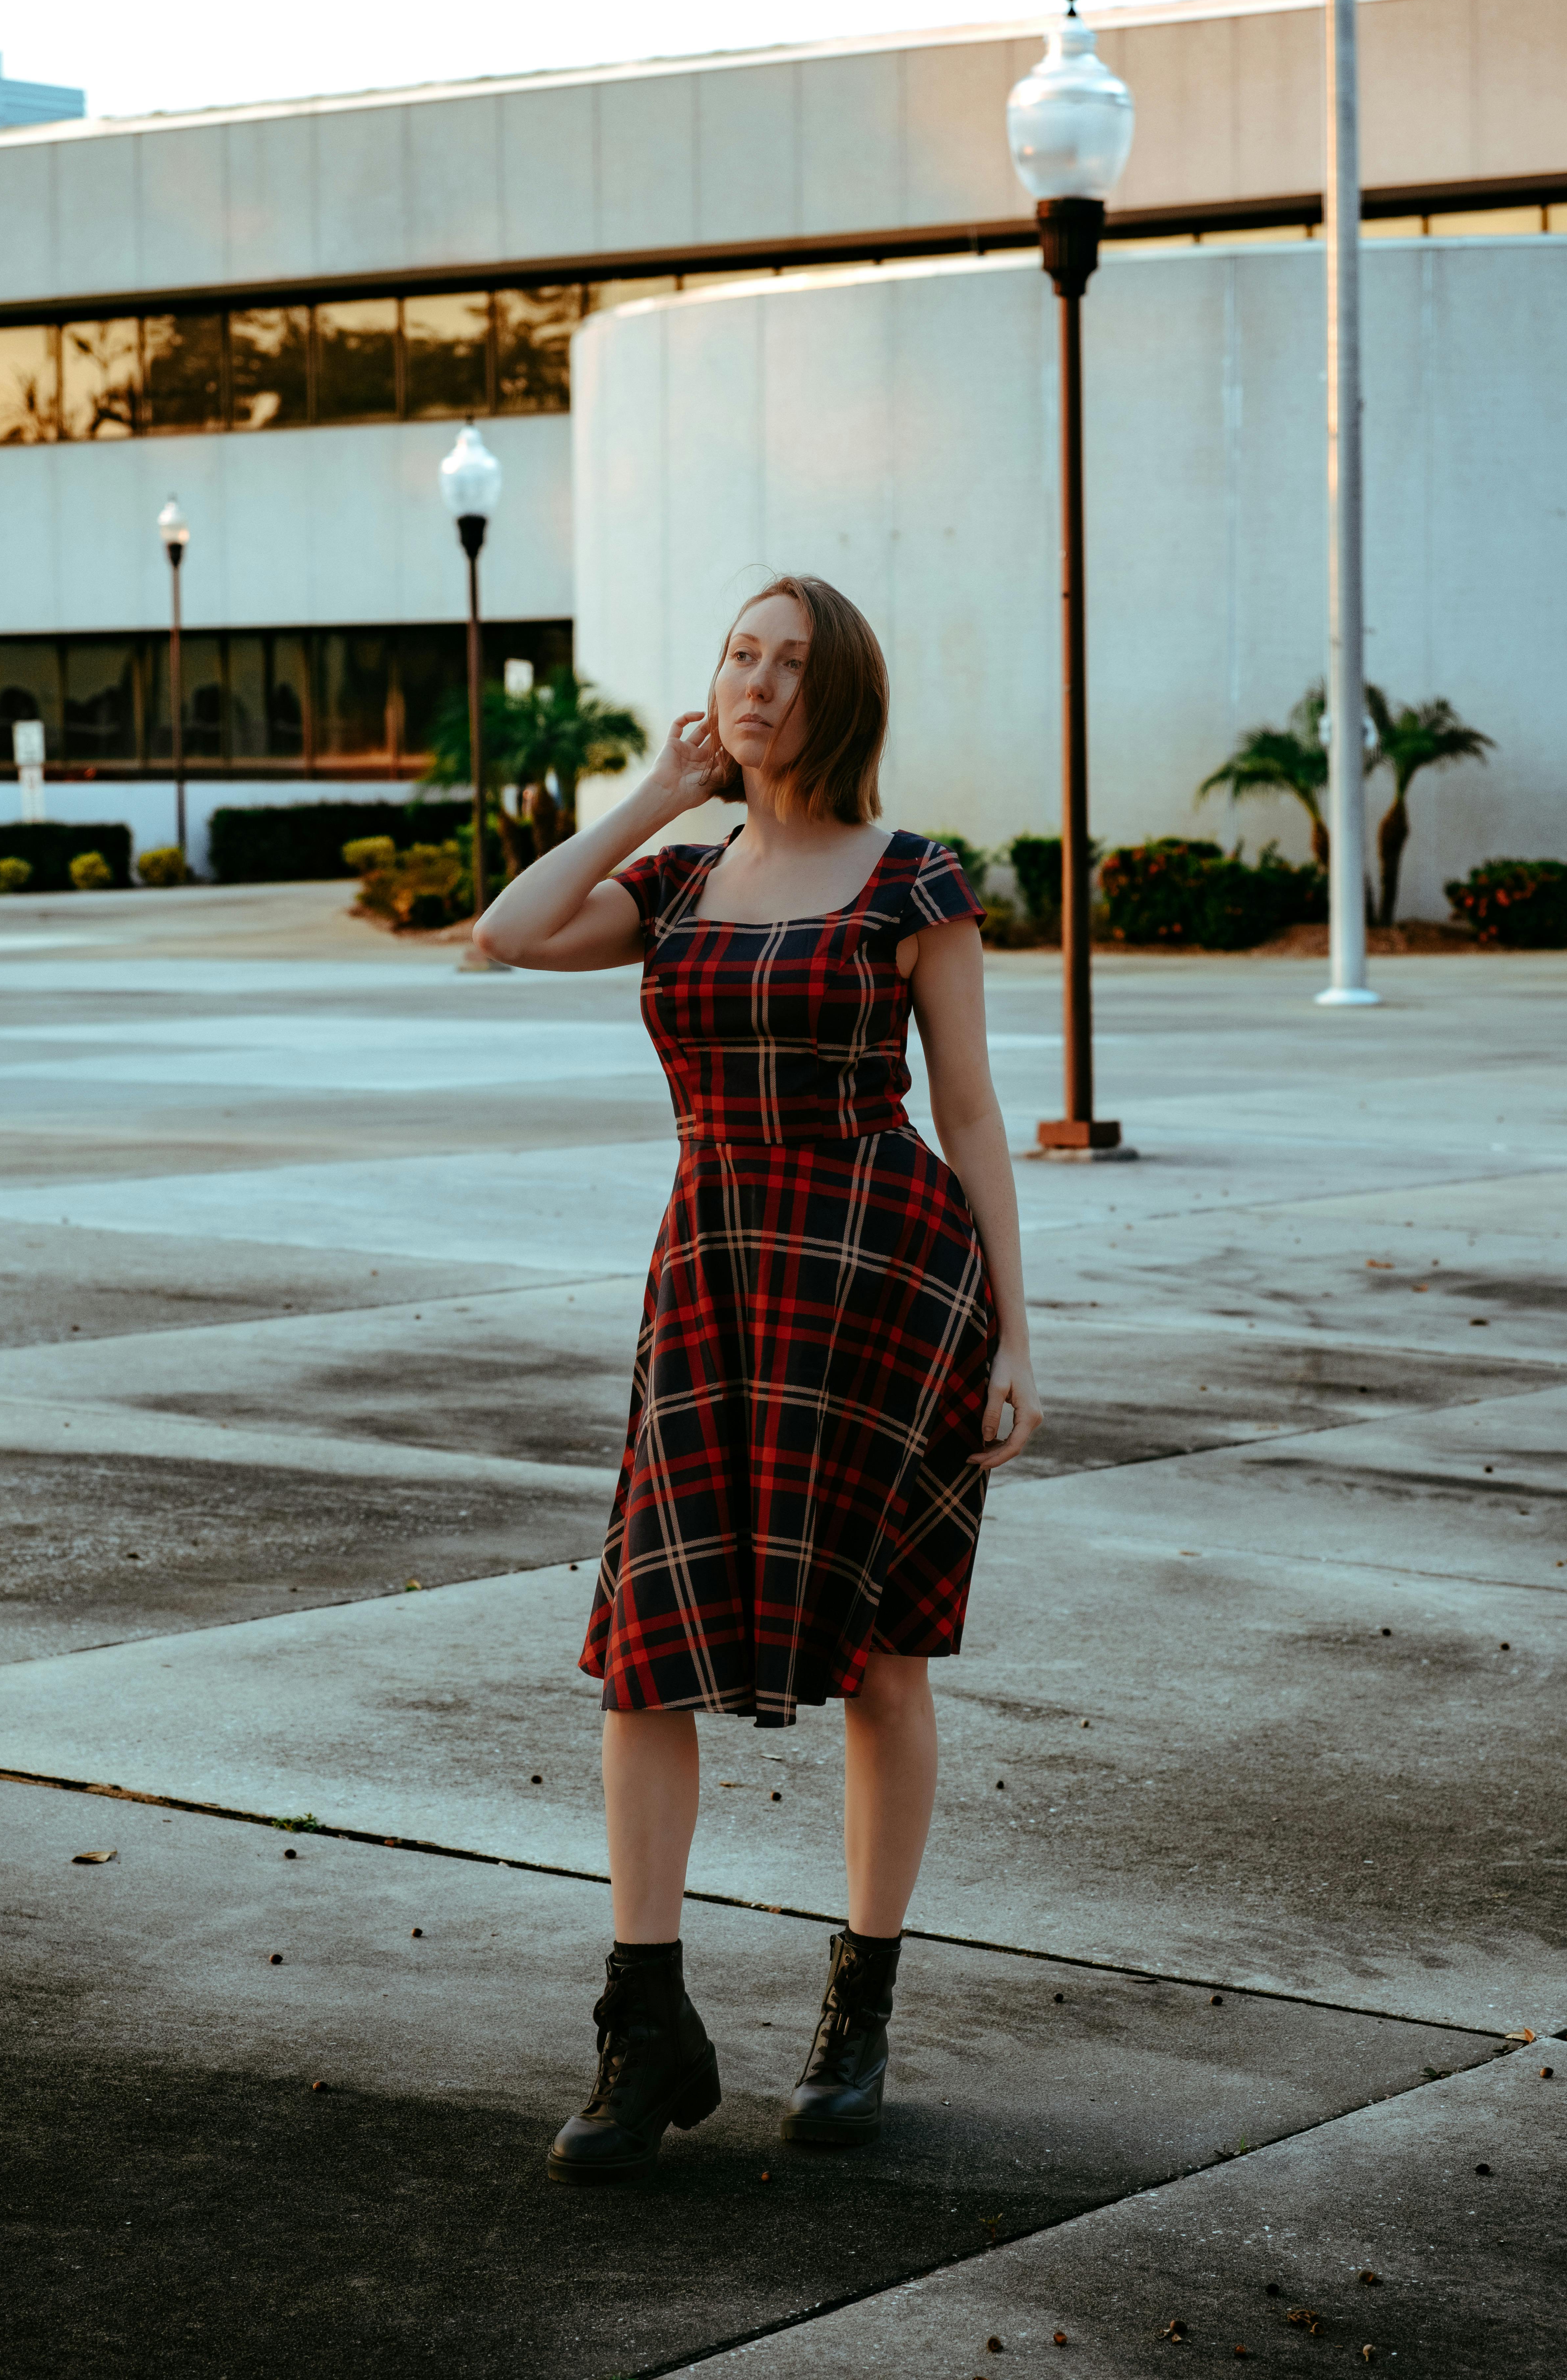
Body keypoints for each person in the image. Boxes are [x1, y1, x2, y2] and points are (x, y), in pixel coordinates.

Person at [474, 573, 1043, 2187]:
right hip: (715, 1279)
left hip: (883, 1281)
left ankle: (856, 2008)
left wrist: (1014, 1332)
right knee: (643, 1651)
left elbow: (977, 1111)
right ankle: (644, 2025)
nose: (759, 685)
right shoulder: (675, 878)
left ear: (840, 693)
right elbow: (508, 934)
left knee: (880, 1657)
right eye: (738, 655)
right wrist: (660, 790)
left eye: (791, 664)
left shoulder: (912, 877)